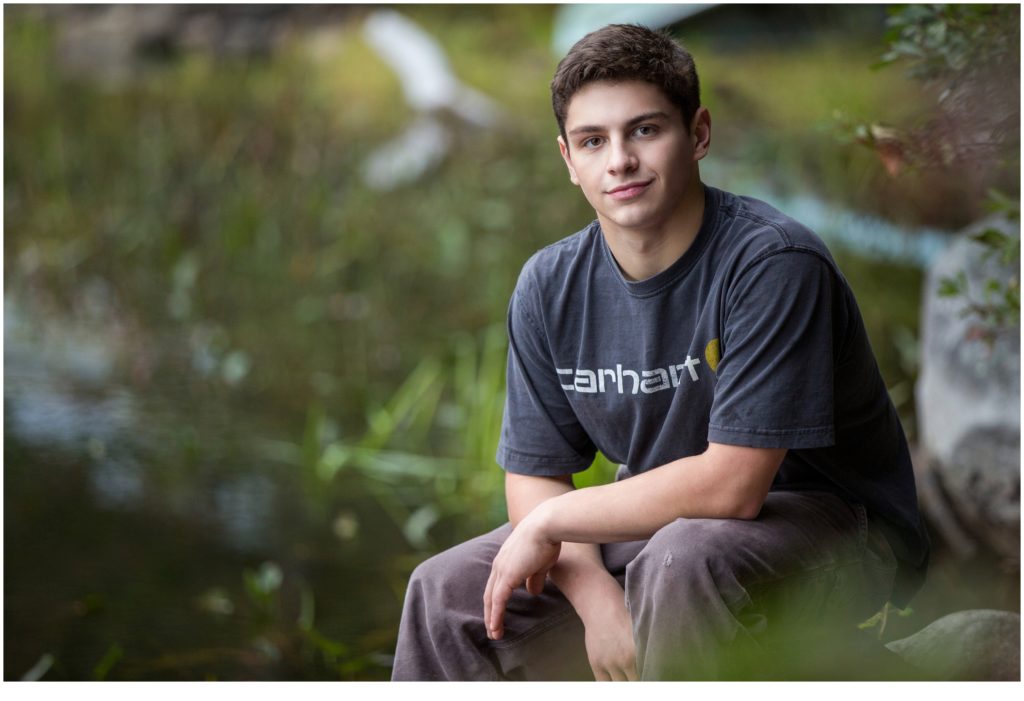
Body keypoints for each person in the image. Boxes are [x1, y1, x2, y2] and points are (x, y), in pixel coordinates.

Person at [391, 23, 930, 681]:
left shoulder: (772, 264)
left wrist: (557, 519)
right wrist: (597, 601)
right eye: (594, 140)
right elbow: (535, 478)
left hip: (839, 533)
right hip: (665, 537)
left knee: (682, 558)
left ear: (698, 133)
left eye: (644, 130)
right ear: (568, 159)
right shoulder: (549, 285)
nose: (619, 160)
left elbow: (734, 485)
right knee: (443, 589)